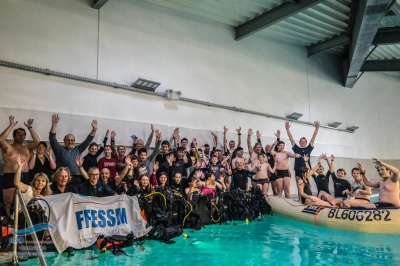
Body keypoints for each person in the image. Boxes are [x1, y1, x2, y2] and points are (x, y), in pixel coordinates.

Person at [0, 116, 40, 214]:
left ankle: (22, 222)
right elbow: (1, 139)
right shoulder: (8, 148)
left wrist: (30, 127)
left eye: (23, 135)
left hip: (24, 176)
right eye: (18, 134)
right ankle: (7, 225)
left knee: (24, 202)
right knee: (8, 203)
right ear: (14, 136)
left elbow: (37, 141)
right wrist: (11, 125)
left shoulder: (27, 148)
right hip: (10, 176)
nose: (21, 136)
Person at [49, 114, 98, 188]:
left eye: (72, 140)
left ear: (74, 141)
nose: (70, 142)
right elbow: (52, 138)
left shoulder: (78, 149)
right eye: (68, 140)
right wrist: (54, 124)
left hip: (77, 179)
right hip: (63, 178)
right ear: (64, 141)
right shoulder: (59, 149)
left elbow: (88, 141)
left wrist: (94, 129)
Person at [285, 121, 319, 200]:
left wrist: (316, 129)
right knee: (299, 185)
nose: (303, 142)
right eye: (301, 141)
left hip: (307, 169)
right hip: (298, 169)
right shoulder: (296, 148)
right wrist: (287, 130)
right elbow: (291, 139)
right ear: (299, 142)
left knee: (306, 184)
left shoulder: (308, 148)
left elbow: (313, 138)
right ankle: (300, 200)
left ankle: (307, 199)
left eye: (304, 141)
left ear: (306, 143)